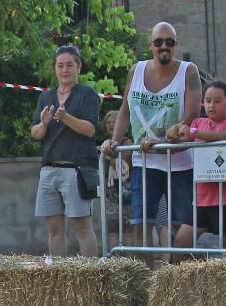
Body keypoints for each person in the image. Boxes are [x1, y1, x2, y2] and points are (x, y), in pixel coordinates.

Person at [101, 22, 201, 267]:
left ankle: (178, 283)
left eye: (169, 42)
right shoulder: (136, 71)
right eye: (159, 42)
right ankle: (144, 284)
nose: (164, 47)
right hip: (145, 162)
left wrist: (163, 141)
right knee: (141, 225)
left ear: (176, 45)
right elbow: (124, 109)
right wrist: (114, 140)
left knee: (181, 228)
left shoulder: (189, 71)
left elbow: (191, 115)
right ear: (151, 45)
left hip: (180, 163)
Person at [29, 45, 100, 257]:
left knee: (81, 227)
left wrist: (65, 117)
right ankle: (59, 277)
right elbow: (35, 133)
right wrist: (43, 123)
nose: (65, 70)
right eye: (60, 65)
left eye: (69, 65)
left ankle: (90, 276)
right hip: (49, 169)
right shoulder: (45, 97)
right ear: (55, 69)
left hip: (77, 169)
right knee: (54, 229)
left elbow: (89, 129)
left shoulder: (87, 94)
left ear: (78, 67)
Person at [167, 81, 226, 251]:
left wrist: (193, 133)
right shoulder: (198, 123)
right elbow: (181, 140)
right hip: (202, 198)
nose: (212, 105)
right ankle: (204, 270)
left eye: (217, 101)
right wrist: (171, 133)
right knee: (181, 242)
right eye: (208, 100)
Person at [102, 110, 132, 247]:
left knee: (127, 228)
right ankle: (116, 260)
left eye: (114, 122)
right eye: (108, 122)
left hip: (126, 192)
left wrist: (109, 157)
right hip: (111, 192)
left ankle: (129, 260)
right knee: (112, 228)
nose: (111, 125)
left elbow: (125, 166)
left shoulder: (127, 142)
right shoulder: (104, 144)